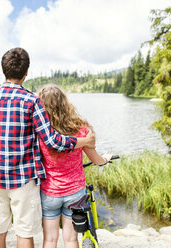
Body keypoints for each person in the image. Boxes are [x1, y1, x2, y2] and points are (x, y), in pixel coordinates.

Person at [0, 47, 96, 248]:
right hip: (24, 181)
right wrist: (83, 142)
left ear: (3, 70)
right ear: (26, 72)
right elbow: (53, 142)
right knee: (24, 234)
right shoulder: (32, 101)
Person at [38, 84, 112, 248]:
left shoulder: (41, 131)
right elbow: (95, 159)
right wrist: (105, 159)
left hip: (49, 192)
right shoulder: (81, 129)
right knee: (71, 240)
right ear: (65, 102)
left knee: (49, 240)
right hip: (75, 192)